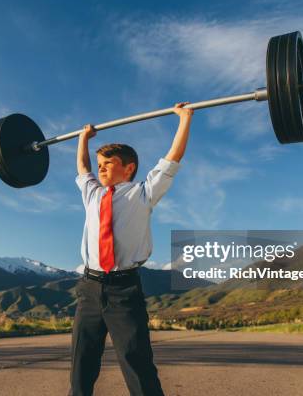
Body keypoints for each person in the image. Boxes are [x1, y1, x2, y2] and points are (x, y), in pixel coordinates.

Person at [68, 102, 194, 396]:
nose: (100, 169)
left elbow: (172, 159)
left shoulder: (144, 193)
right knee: (81, 365)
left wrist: (185, 119)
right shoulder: (92, 193)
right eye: (100, 165)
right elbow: (83, 167)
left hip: (124, 289)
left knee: (136, 363)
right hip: (89, 287)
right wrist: (83, 139)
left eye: (108, 164)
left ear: (129, 167)